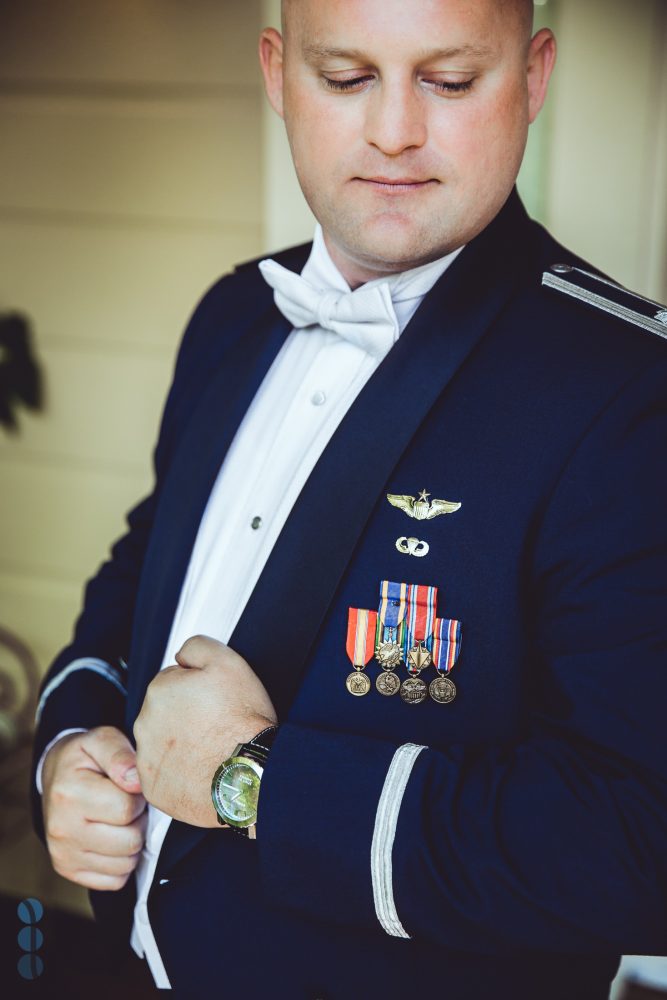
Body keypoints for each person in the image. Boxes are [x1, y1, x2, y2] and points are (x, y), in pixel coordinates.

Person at [31, 1, 667, 997]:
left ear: (533, 78)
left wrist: (258, 781)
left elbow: (640, 843)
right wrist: (71, 743)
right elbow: (139, 572)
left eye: (449, 81)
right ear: (278, 73)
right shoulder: (232, 314)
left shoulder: (629, 393)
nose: (394, 130)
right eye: (345, 77)